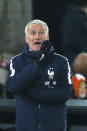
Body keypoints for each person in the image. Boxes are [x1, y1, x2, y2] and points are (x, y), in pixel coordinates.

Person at [7, 19, 72, 131]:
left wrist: (33, 94)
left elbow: (65, 93)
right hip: (26, 127)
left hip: (54, 127)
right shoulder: (16, 61)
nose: (37, 37)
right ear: (26, 39)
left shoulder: (61, 61)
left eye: (41, 32)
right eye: (33, 33)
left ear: (47, 37)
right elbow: (13, 87)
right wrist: (38, 64)